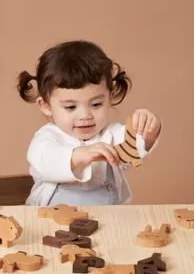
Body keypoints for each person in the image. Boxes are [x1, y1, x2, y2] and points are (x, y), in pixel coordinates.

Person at [17, 40, 162, 206]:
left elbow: (135, 147)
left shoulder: (112, 134)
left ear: (110, 97)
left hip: (109, 219)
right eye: (71, 107)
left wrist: (148, 127)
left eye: (96, 104)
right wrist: (78, 155)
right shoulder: (47, 138)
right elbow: (44, 161)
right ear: (46, 106)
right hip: (52, 218)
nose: (85, 115)